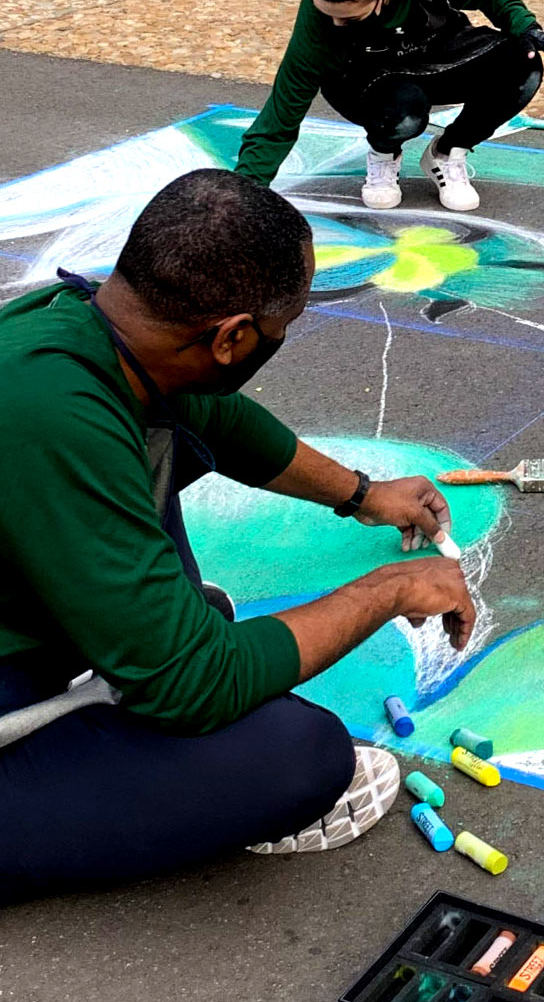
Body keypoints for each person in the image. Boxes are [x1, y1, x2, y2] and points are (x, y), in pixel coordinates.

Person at [0, 170, 478, 900]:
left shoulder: (86, 328)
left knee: (167, 444)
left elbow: (220, 420)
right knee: (300, 755)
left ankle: (126, 669)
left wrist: (361, 495)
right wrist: (389, 589)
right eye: (279, 330)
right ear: (233, 337)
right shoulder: (53, 414)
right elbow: (197, 684)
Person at [236, 0, 544, 212]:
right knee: (405, 111)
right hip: (365, 81)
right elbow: (281, 116)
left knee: (523, 62)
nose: (336, 25)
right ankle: (384, 153)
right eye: (328, 15)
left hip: (433, 49)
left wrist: (526, 26)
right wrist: (243, 198)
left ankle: (447, 151)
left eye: (350, 19)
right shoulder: (317, 22)